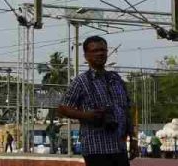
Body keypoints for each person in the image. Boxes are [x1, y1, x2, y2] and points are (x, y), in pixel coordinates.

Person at [58, 36, 137, 166]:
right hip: (96, 148)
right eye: (95, 51)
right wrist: (87, 115)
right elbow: (62, 109)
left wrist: (133, 138)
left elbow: (126, 111)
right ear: (86, 56)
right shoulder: (81, 81)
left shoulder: (116, 80)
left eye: (103, 50)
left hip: (119, 146)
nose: (100, 53)